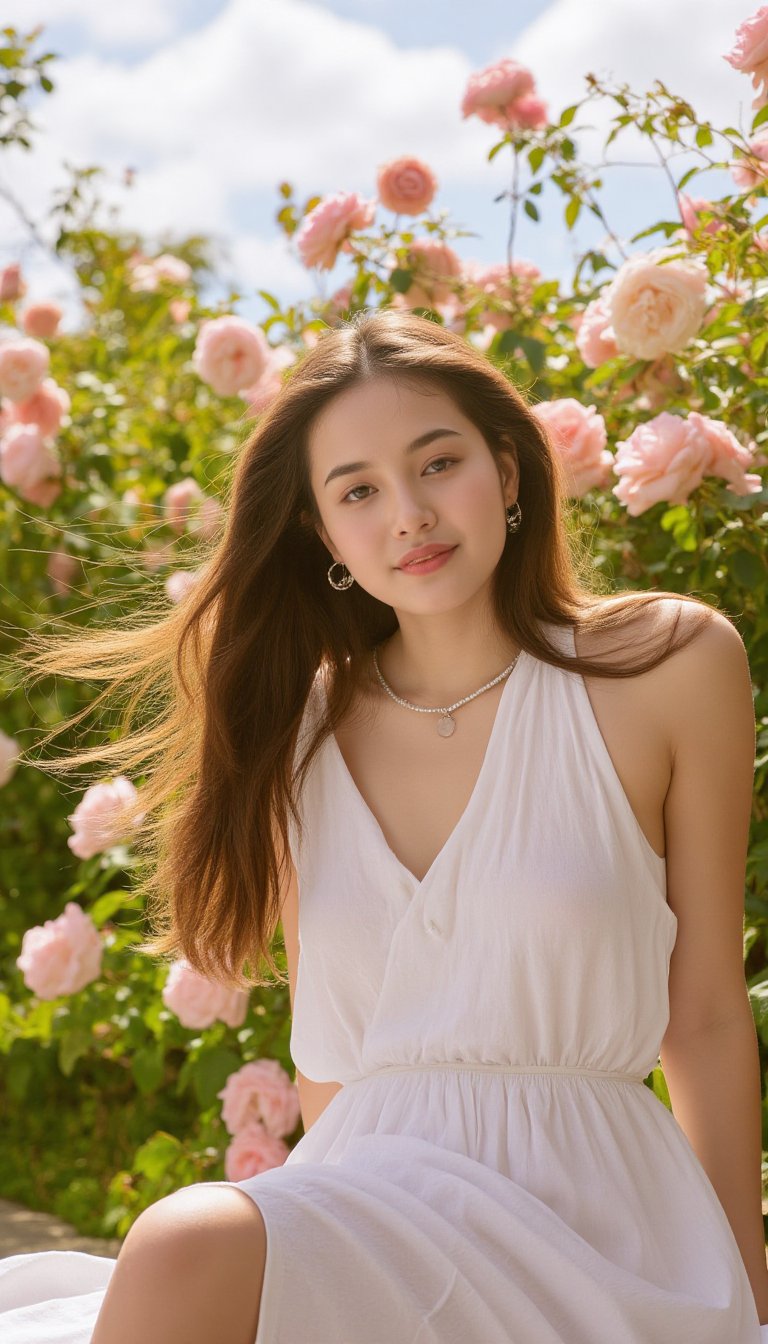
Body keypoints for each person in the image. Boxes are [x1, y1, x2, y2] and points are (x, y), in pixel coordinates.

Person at [1, 308, 766, 1343]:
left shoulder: (665, 664)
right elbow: (333, 1062)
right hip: (376, 1206)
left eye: (437, 462)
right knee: (187, 1247)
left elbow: (707, 1012)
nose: (408, 513)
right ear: (324, 532)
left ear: (506, 469)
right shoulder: (298, 731)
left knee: (184, 1243)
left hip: (595, 1218)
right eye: (358, 489)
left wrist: (747, 1287)